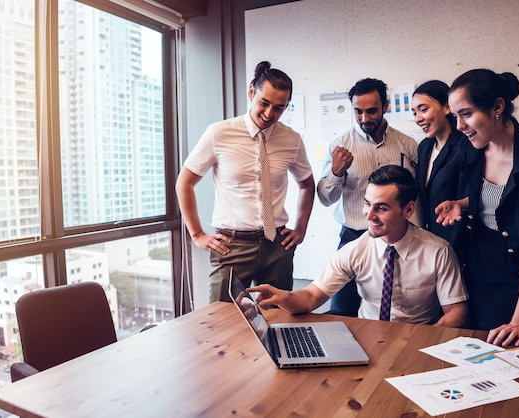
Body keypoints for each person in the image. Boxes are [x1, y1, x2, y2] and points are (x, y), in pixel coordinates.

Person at [435, 69, 519, 347]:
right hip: (474, 261)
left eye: (466, 114)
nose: (458, 126)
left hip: (517, 273)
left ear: (497, 107)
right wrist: (460, 204)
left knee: (501, 350)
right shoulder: (471, 149)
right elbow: (495, 199)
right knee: (464, 345)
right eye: (455, 115)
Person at [251, 165, 468, 327]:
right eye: (367, 204)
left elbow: (457, 312)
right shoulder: (354, 250)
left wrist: (422, 342)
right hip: (368, 336)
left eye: (381, 208)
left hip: (417, 338)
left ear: (408, 210)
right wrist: (283, 297)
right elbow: (310, 297)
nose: (369, 215)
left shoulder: (438, 251)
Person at [175, 61, 315, 303]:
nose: (269, 114)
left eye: (279, 108)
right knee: (222, 321)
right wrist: (197, 234)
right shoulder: (218, 133)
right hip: (232, 247)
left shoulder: (292, 140)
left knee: (278, 320)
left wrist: (300, 229)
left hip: (277, 246)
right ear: (252, 92)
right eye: (264, 103)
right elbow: (184, 183)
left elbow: (306, 184)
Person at [317, 78, 418, 317]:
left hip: (397, 239)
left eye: (371, 110)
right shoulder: (339, 145)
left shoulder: (408, 145)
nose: (364, 118)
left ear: (385, 106)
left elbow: (416, 194)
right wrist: (336, 172)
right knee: (342, 310)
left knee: (395, 310)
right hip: (354, 237)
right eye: (358, 111)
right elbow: (325, 198)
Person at [412, 80, 465, 241]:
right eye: (414, 113)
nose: (418, 119)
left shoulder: (465, 145)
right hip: (431, 238)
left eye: (424, 109)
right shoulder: (424, 147)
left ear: (447, 107)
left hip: (460, 238)